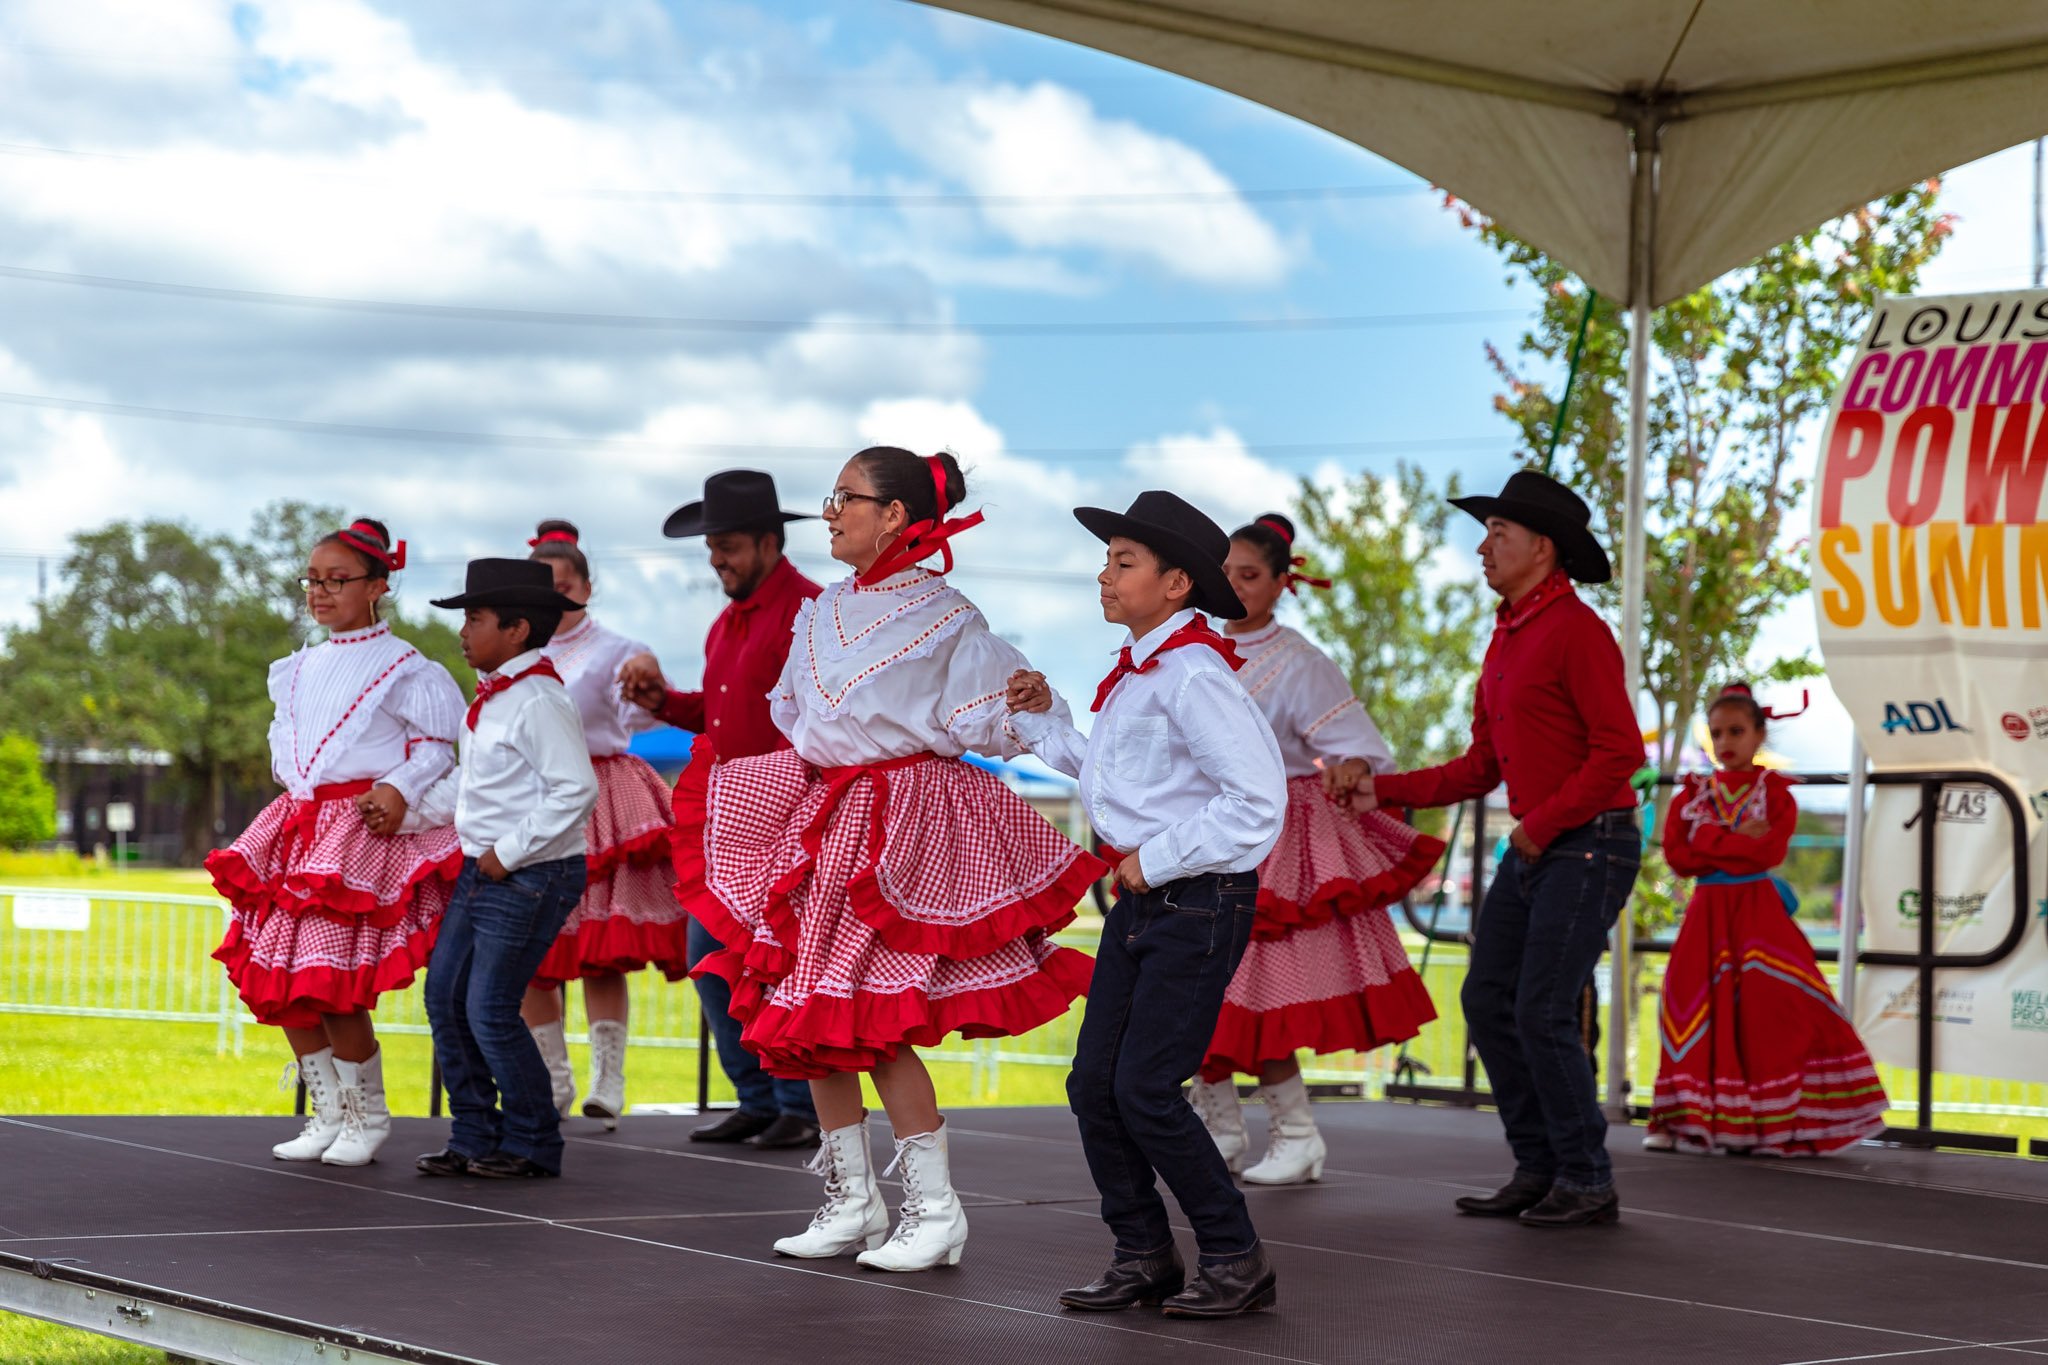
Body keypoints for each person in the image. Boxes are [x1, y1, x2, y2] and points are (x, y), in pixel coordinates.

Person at [671, 447, 1099, 1271]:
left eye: (846, 497)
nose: (831, 512)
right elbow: (796, 713)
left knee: (877, 1018)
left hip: (906, 825)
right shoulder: (822, 608)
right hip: (830, 820)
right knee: (807, 1013)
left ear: (896, 514)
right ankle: (852, 1198)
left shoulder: (946, 615)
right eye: (831, 498)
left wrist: (1034, 709)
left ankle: (935, 1211)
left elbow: (993, 714)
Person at [1006, 490, 1288, 1320]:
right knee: (1095, 1082)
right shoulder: (1145, 673)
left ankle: (1236, 1254)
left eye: (1122, 561)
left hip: (1197, 901)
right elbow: (1117, 780)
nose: (1105, 572)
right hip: (1151, 900)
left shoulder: (1196, 674)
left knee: (1146, 1087)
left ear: (1174, 584)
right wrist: (1045, 718)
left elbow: (1258, 801)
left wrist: (1150, 859)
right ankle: (1143, 1250)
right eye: (1107, 558)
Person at [1356, 470, 1642, 1229]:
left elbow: (1621, 752)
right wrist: (1381, 789)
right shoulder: (1509, 633)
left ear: (1542, 549)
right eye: (1485, 533)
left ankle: (1585, 1174)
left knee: (1542, 1005)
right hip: (1544, 844)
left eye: (1498, 534)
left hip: (1586, 843)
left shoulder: (1578, 631)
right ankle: (1541, 1163)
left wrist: (1540, 826)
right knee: (1487, 998)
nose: (1483, 546)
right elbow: (1481, 765)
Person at [1186, 513, 1444, 1186]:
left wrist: (1350, 765)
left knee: (1251, 990)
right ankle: (1219, 1127)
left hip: (1275, 838)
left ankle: (1295, 1132)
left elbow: (1359, 745)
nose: (1237, 588)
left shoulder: (1298, 660)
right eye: (1227, 575)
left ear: (1281, 583)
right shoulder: (1194, 646)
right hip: (1202, 827)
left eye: (1250, 576)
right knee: (1189, 981)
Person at [207, 518, 464, 1166]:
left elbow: (434, 748)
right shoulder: (296, 668)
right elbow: (287, 750)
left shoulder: (407, 667)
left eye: (337, 580)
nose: (319, 592)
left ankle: (366, 1114)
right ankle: (326, 1111)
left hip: (355, 831)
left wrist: (398, 787)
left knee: (329, 983)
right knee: (282, 983)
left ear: (378, 584)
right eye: (312, 580)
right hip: (298, 829)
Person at [616, 470, 825, 1150]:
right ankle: (760, 1097)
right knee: (710, 957)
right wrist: (662, 702)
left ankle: (795, 1099)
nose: (717, 558)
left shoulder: (812, 613)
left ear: (770, 541)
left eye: (728, 544)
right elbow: (717, 714)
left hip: (790, 817)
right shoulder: (724, 625)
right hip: (730, 822)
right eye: (712, 546)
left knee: (774, 963)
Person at [1646, 683, 1886, 1156]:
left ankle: (1769, 1125)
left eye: (1736, 730)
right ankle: (1685, 1121)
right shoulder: (1688, 796)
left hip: (1757, 914)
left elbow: (1767, 851)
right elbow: (1678, 857)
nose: (1726, 742)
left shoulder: (1776, 795)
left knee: (1771, 1009)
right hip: (1708, 914)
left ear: (1759, 735)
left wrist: (1711, 839)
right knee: (1690, 1004)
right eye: (1717, 733)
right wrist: (1736, 836)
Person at [416, 559, 598, 1180]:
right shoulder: (494, 698)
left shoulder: (539, 699)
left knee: (490, 1006)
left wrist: (507, 851)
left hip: (529, 872)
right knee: (445, 996)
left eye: (474, 618)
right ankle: (474, 1134)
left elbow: (575, 788)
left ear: (517, 628)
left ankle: (531, 1140)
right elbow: (476, 787)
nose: (463, 631)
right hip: (487, 867)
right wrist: (408, 810)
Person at [516, 520, 683, 1130]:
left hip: (600, 796)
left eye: (563, 583)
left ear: (586, 586)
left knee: (601, 949)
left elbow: (634, 709)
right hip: (534, 797)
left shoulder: (617, 647)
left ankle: (608, 1078)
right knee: (533, 946)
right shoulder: (516, 648)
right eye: (541, 585)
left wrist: (646, 678)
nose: (554, 595)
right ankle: (552, 1078)